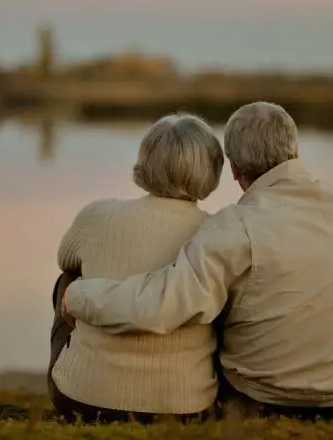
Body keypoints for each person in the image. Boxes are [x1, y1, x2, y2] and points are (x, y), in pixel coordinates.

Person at [64, 102, 333, 420]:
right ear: (294, 150)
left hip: (263, 397)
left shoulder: (233, 227)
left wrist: (78, 295)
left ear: (233, 168)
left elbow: (163, 305)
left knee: (218, 293)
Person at [49, 113, 225, 423]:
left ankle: (88, 370)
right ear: (212, 170)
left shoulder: (97, 215)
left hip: (82, 400)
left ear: (145, 162)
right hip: (185, 407)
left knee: (67, 280)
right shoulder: (217, 233)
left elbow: (66, 259)